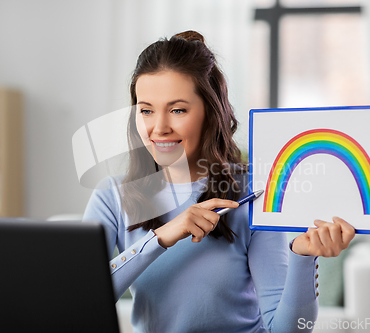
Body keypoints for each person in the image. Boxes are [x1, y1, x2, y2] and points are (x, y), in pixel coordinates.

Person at [83, 30, 356, 333]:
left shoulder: (250, 193)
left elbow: (287, 330)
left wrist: (304, 257)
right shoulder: (112, 196)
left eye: (177, 110)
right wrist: (161, 238)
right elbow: (78, 301)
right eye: (146, 110)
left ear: (210, 114)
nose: (158, 128)